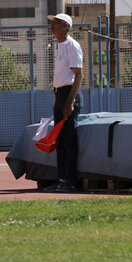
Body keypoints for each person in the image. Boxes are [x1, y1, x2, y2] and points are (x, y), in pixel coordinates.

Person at [45, 13, 83, 193]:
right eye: (52, 23)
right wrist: (57, 102)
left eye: (56, 23)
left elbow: (79, 75)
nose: (52, 26)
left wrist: (70, 102)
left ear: (65, 27)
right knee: (60, 140)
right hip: (60, 95)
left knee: (68, 140)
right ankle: (61, 179)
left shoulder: (72, 46)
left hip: (69, 95)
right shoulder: (58, 45)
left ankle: (70, 180)